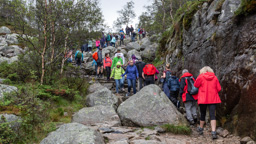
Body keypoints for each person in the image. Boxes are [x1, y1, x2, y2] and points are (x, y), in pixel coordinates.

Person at [194, 66, 221, 139]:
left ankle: (201, 129)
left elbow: (195, 85)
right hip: (213, 98)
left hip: (203, 98)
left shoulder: (201, 77)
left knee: (203, 113)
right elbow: (219, 88)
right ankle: (213, 132)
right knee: (212, 115)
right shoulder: (214, 77)